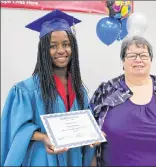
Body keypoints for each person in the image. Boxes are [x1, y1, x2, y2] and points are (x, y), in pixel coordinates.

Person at [1, 9, 95, 166]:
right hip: (43, 158)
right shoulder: (26, 90)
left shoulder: (79, 90)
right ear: (44, 50)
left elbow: (85, 124)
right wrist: (44, 137)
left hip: (72, 158)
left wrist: (92, 135)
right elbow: (14, 129)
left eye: (66, 44)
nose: (61, 51)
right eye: (53, 46)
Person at [90, 36, 156, 166]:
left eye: (143, 55)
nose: (138, 59)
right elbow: (90, 139)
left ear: (151, 60)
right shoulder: (107, 90)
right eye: (132, 55)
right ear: (123, 61)